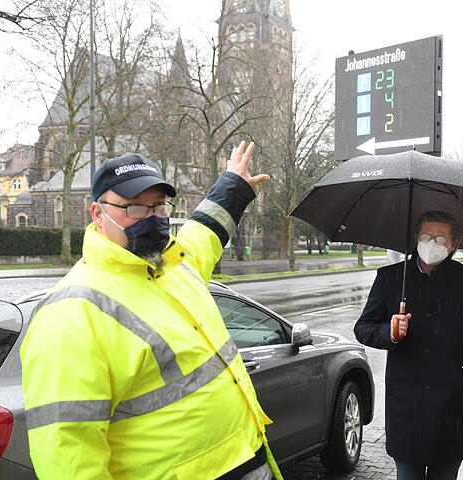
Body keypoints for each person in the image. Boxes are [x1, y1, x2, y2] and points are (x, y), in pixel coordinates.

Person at [20, 142, 283, 479]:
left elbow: (204, 233)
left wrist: (233, 183)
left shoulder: (172, 266)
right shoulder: (71, 313)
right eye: (134, 209)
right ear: (97, 213)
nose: (152, 218)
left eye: (159, 206)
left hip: (249, 459)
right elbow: (66, 453)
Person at [354, 210, 463, 479]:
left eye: (439, 239)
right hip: (405, 408)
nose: (430, 243)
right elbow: (363, 328)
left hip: (449, 408)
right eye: (425, 236)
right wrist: (389, 333)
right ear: (416, 238)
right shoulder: (391, 278)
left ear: (453, 245)